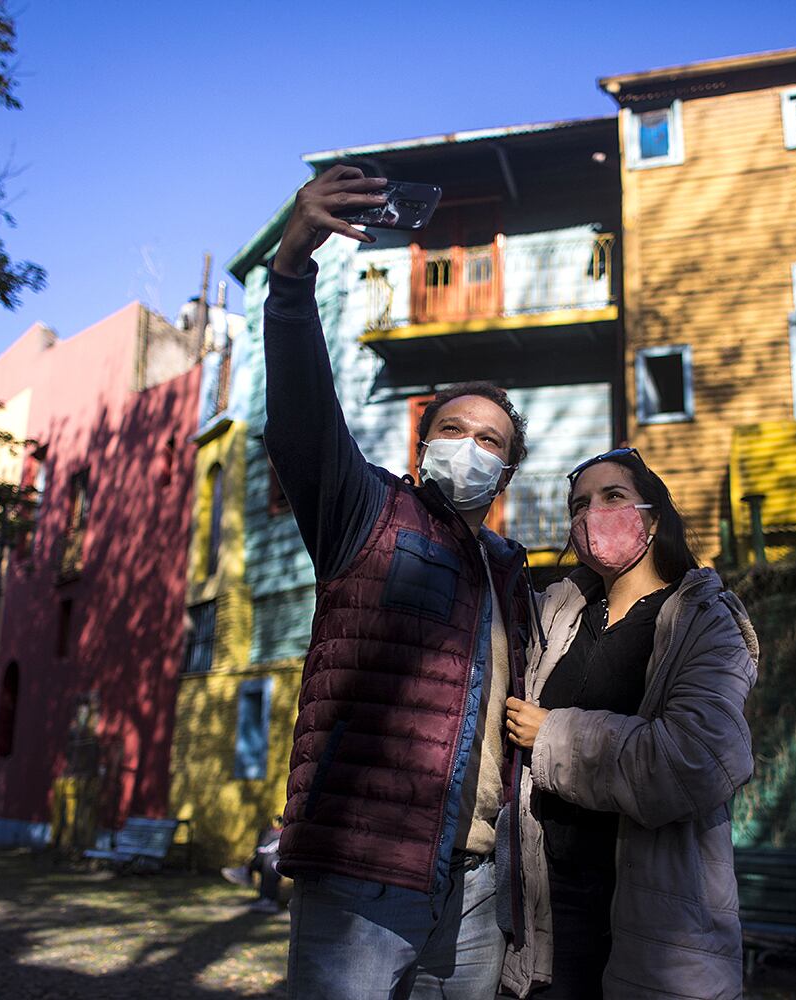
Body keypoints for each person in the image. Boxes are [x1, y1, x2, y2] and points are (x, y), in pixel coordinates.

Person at [264, 163, 536, 999]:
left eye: (490, 440)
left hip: (479, 877)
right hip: (365, 864)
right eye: (452, 428)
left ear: (507, 472)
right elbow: (305, 418)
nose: (469, 445)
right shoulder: (367, 512)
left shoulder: (507, 573)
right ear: (423, 445)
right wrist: (291, 275)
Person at [501, 448, 759, 1000]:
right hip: (547, 915)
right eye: (579, 504)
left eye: (613, 496)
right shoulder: (554, 618)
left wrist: (553, 735)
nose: (593, 514)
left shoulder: (704, 623)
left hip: (656, 919)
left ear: (655, 515)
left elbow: (693, 762)